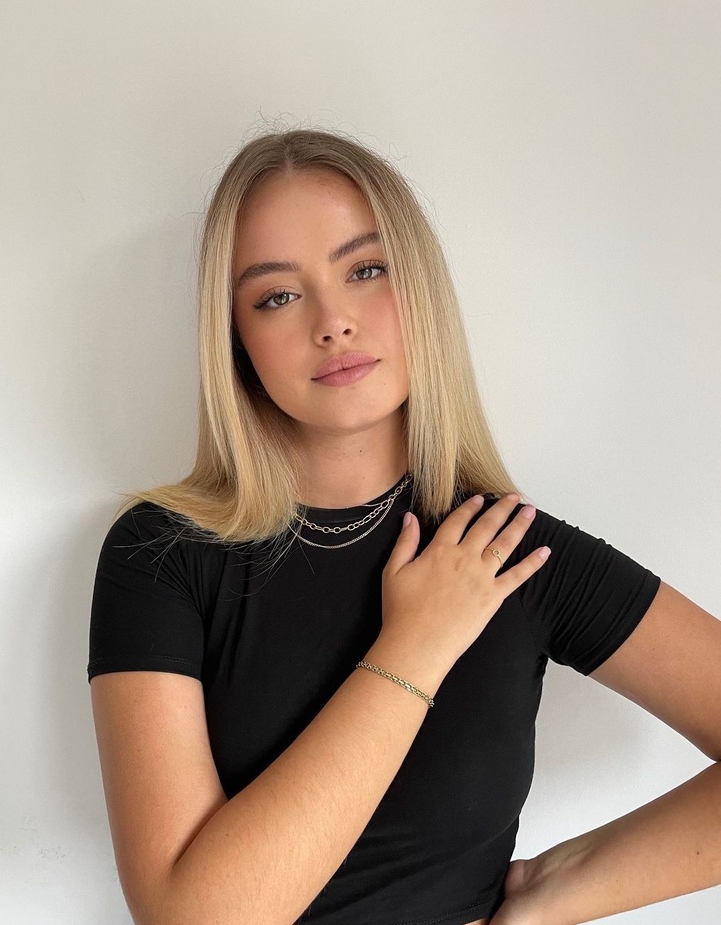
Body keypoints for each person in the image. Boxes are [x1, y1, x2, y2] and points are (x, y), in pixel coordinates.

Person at [88, 127, 721, 925]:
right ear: (236, 340)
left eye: (366, 269)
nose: (333, 322)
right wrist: (414, 646)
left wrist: (553, 894)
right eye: (276, 295)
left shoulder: (512, 555)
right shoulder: (162, 555)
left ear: (419, 285)